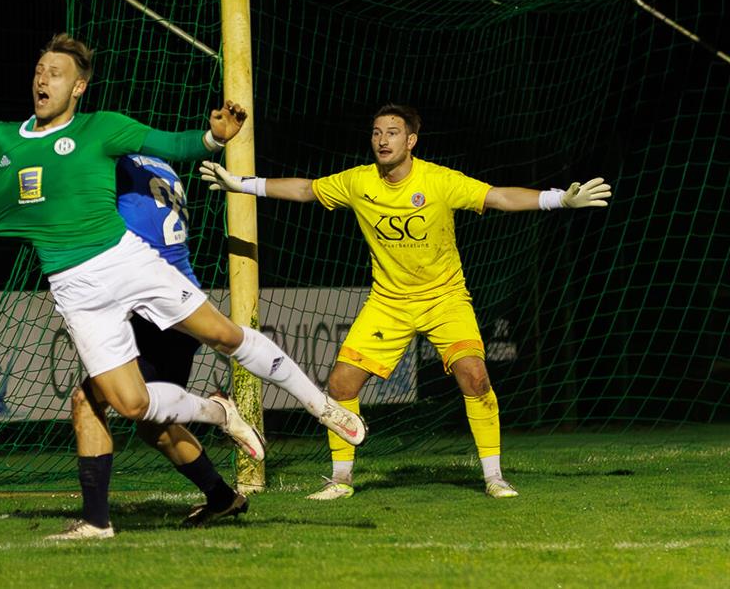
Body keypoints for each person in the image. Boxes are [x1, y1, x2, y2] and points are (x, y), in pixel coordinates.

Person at [0, 33, 366, 540]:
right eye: (39, 70)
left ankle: (320, 406)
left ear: (79, 87)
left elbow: (173, 144)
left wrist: (214, 137)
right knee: (129, 405)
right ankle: (207, 419)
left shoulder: (102, 129)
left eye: (55, 73)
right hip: (74, 289)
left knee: (224, 335)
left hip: (126, 261)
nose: (43, 78)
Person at [200, 103, 611, 500]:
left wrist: (559, 199)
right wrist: (242, 184)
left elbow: (498, 197)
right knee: (342, 383)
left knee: (475, 377)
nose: (382, 140)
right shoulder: (359, 181)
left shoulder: (438, 181)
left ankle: (495, 477)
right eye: (377, 133)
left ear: (411, 140)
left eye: (392, 133)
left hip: (445, 298)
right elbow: (307, 190)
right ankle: (340, 479)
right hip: (389, 302)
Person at [0, 153, 248, 529]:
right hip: (178, 308)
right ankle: (222, 497)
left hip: (148, 310)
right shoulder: (157, 166)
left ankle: (97, 522)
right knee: (154, 423)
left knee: (88, 401)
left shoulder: (106, 165)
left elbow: (57, 207)